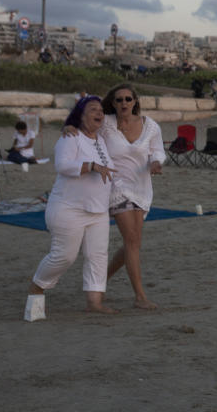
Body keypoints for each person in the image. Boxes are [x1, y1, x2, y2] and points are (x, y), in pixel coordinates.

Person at [62, 83, 166, 309]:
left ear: (135, 101)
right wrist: (69, 126)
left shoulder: (150, 126)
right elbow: (84, 123)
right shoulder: (106, 123)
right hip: (115, 186)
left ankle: (102, 280)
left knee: (134, 243)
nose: (124, 103)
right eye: (119, 100)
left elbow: (157, 150)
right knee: (131, 241)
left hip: (142, 187)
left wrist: (157, 162)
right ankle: (140, 297)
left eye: (128, 99)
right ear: (113, 103)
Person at [24, 96, 117, 320]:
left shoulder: (102, 139)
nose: (99, 113)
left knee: (97, 255)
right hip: (68, 208)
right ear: (80, 116)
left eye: (100, 110)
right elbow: (62, 165)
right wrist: (92, 166)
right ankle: (38, 285)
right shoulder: (71, 136)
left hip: (98, 211)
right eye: (92, 109)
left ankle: (94, 302)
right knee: (64, 256)